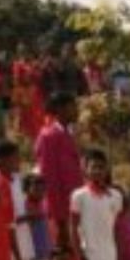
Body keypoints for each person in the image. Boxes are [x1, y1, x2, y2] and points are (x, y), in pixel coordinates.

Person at [35, 92, 84, 245]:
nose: (77, 110)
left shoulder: (67, 133)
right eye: (72, 107)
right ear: (60, 109)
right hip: (62, 211)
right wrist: (59, 218)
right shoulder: (49, 136)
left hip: (73, 206)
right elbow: (48, 177)